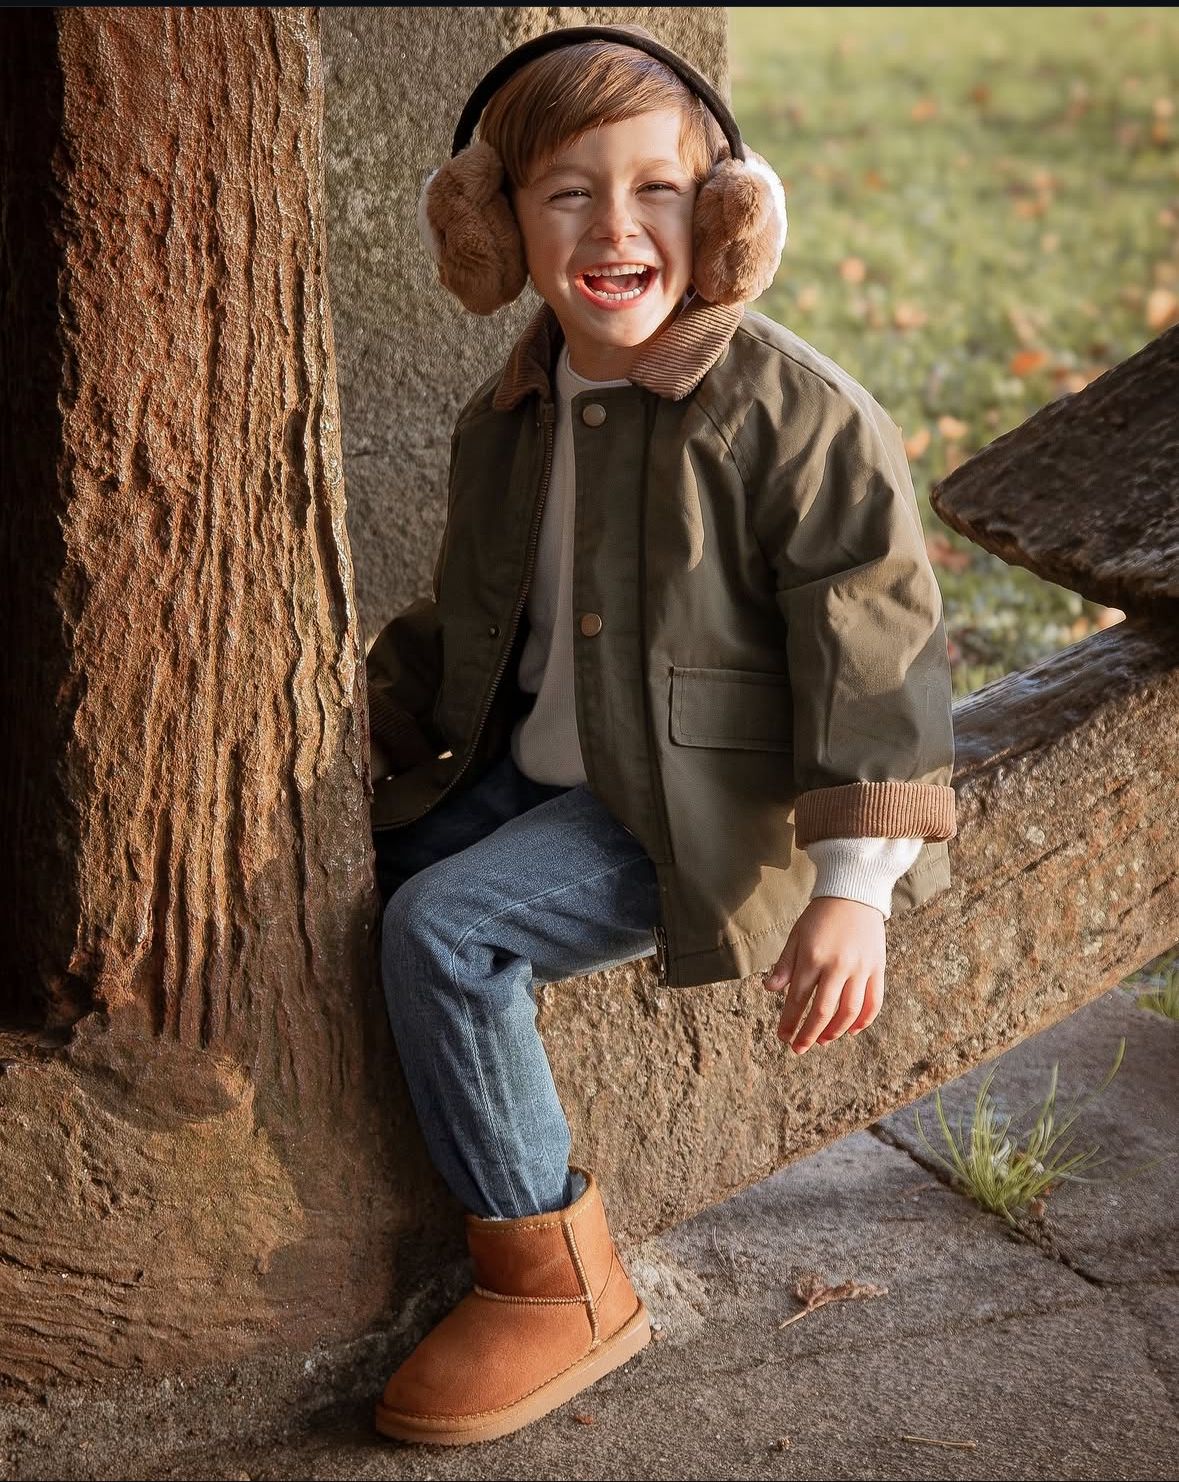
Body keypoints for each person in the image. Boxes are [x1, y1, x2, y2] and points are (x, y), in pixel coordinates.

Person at [365, 23, 957, 1447]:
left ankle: (556, 1280)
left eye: (659, 191)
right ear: (494, 226)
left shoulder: (793, 415)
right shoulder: (509, 414)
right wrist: (358, 732)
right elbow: (473, 618)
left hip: (704, 812)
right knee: (359, 883)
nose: (615, 229)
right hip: (539, 770)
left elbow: (875, 650)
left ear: (730, 217)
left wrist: (855, 890)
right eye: (567, 193)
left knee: (446, 929)